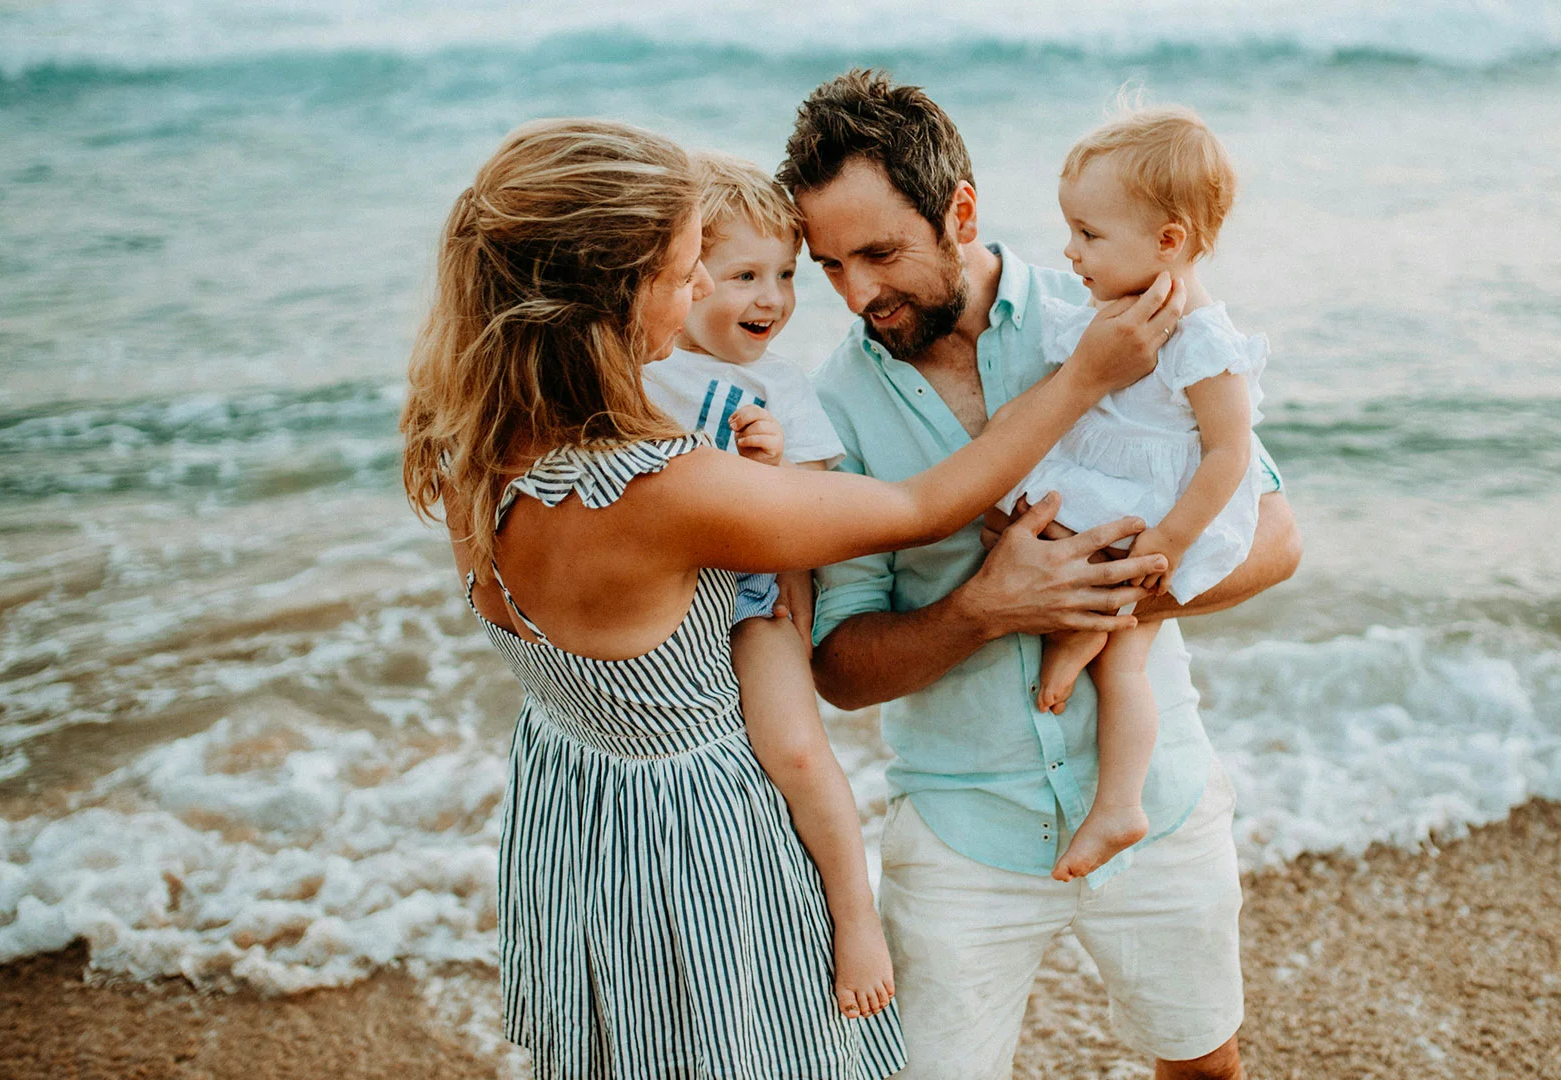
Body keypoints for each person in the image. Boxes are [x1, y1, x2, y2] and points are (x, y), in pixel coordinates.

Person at [397, 117, 1183, 1079]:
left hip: (581, 808)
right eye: (686, 270)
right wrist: (1087, 378)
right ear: (614, 292)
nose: (699, 292)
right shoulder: (664, 486)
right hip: (701, 838)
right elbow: (919, 503)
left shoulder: (473, 446)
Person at [781, 70, 1302, 1080]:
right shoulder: (827, 408)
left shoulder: (1116, 303)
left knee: (1202, 1065)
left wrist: (1113, 589)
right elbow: (840, 668)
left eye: (881, 252)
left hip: (1158, 793)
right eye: (829, 264)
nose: (856, 294)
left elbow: (1274, 533)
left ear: (960, 210)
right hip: (963, 832)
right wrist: (988, 607)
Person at [639, 150, 894, 1019]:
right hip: (660, 600)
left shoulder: (780, 384)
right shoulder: (642, 367)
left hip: (756, 601)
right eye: (745, 274)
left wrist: (772, 464)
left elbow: (818, 502)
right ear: (684, 275)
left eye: (786, 275)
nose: (774, 299)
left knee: (790, 747)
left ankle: (855, 916)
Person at [990, 107, 1272, 883]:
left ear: (1168, 241)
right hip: (1114, 487)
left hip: (1164, 510)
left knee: (1125, 661)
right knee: (1025, 521)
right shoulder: (1119, 306)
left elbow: (1228, 453)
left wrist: (1170, 544)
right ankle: (1086, 634)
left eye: (1088, 235)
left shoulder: (1206, 338)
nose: (1070, 251)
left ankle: (1119, 805)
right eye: (1071, 232)